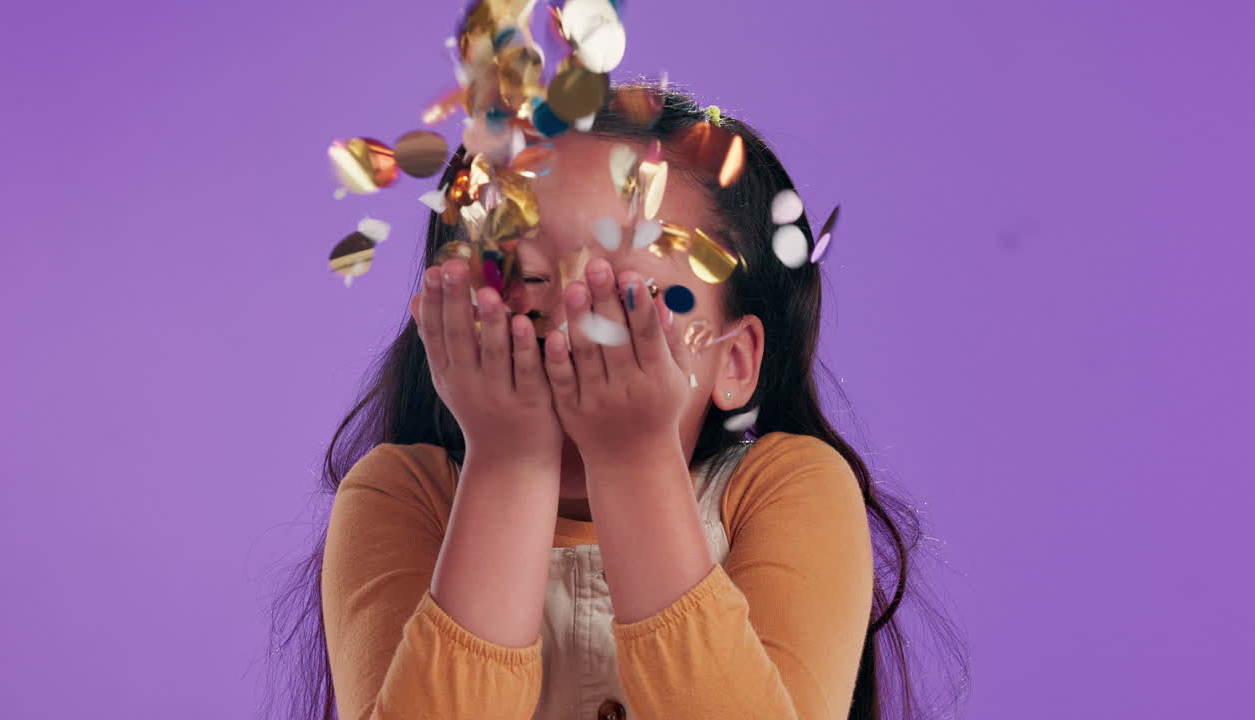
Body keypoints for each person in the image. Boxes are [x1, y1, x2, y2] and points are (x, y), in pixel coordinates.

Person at [265, 85, 969, 720]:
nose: (567, 325)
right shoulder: (399, 496)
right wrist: (510, 467)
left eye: (622, 293)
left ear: (734, 361)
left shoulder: (787, 489)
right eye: (522, 277)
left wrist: (636, 464)